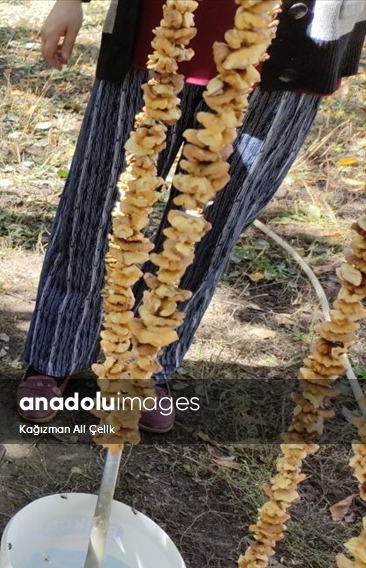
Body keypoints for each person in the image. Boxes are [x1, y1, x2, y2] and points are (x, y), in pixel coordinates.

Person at [18, 0, 365, 432]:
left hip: (287, 54)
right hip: (155, 35)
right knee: (98, 202)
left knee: (211, 222)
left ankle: (151, 362)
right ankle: (58, 348)